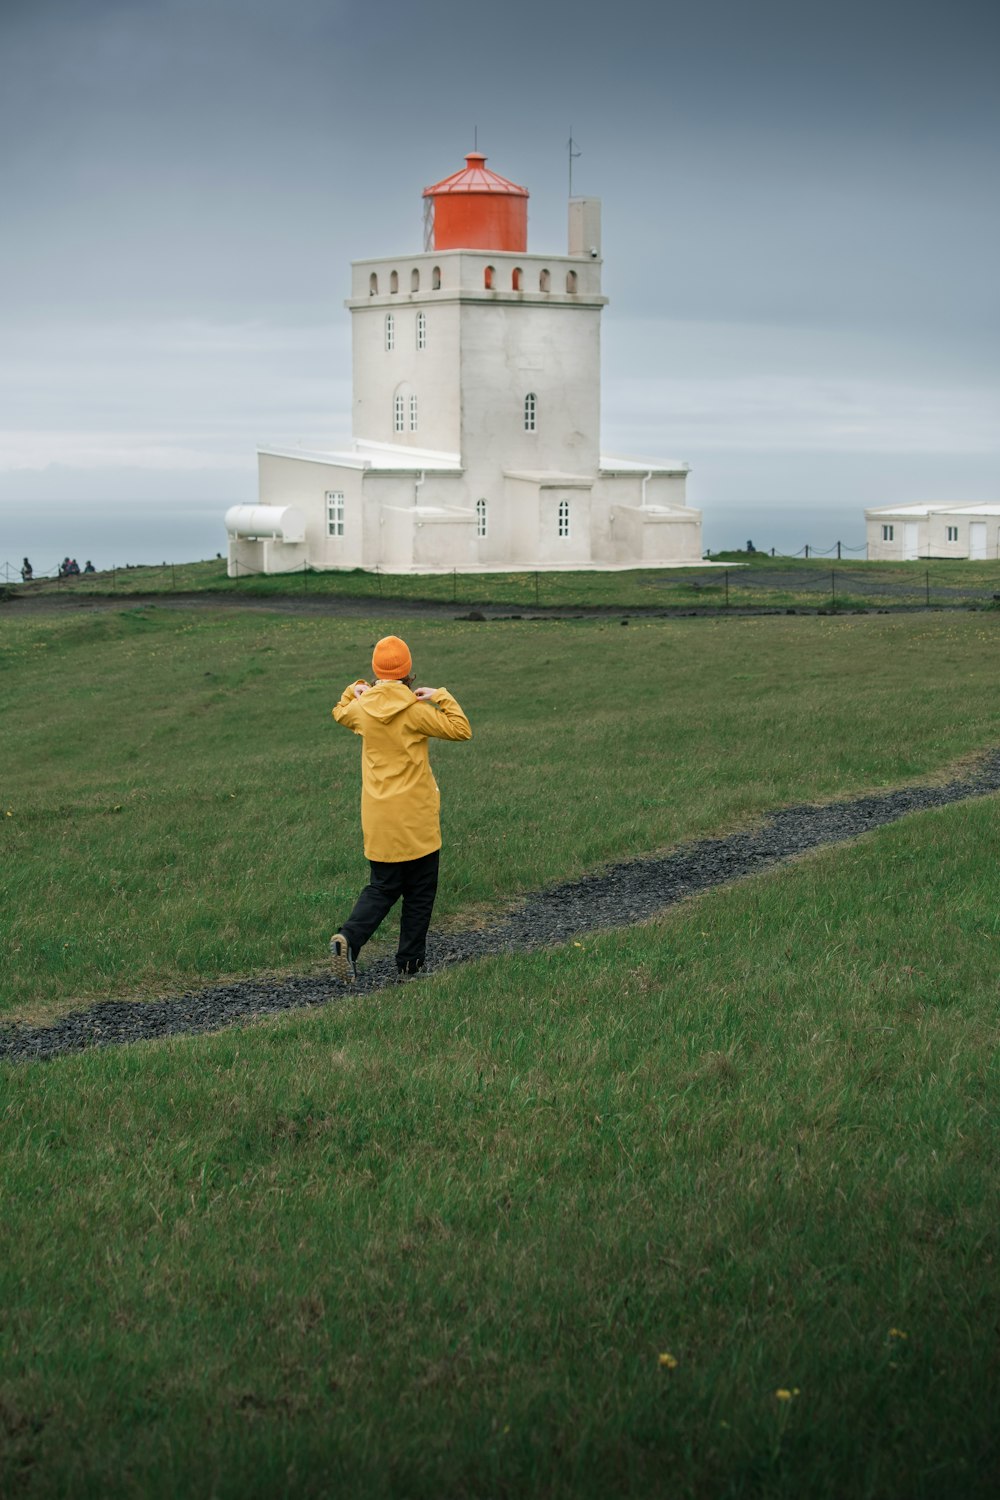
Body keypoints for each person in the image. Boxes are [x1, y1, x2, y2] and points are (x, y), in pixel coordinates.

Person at [329, 634, 471, 981]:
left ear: (376, 672)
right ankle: (410, 964)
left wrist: (356, 688)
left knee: (382, 888)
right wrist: (440, 695)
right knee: (420, 892)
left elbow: (338, 711)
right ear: (409, 674)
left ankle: (349, 938)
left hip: (379, 821)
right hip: (417, 819)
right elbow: (461, 729)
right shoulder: (416, 712)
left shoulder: (361, 711)